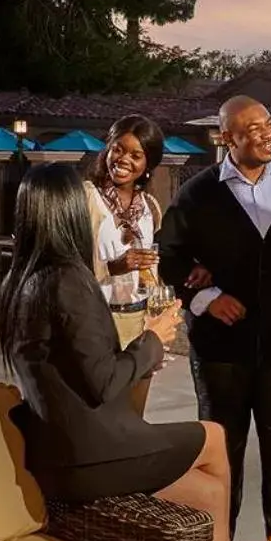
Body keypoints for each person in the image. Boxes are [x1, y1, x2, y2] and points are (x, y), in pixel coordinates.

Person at [0, 163, 234, 541]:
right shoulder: (68, 279)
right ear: (72, 212)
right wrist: (153, 339)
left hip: (55, 450)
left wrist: (142, 357)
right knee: (213, 435)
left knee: (210, 494)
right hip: (89, 456)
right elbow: (104, 382)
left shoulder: (20, 280)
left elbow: (76, 367)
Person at [158, 96, 271, 541]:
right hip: (221, 350)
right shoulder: (197, 193)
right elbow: (168, 259)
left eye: (270, 123)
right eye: (252, 129)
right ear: (226, 138)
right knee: (221, 454)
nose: (267, 133)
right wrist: (207, 298)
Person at [84, 115, 165, 413]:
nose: (123, 160)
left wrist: (159, 300)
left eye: (136, 155)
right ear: (107, 149)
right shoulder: (86, 198)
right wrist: (112, 267)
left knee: (134, 412)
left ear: (149, 164)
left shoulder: (150, 207)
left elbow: (153, 265)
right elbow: (68, 265)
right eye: (118, 149)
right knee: (102, 410)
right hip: (99, 319)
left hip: (139, 319)